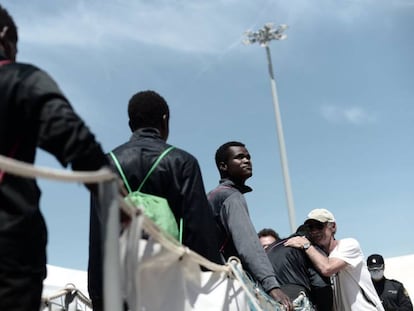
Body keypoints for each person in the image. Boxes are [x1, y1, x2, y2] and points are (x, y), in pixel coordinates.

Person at [0, 5, 109, 311]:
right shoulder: (19, 78)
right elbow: (73, 137)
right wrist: (112, 193)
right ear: (5, 35)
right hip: (9, 249)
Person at [88, 90, 222, 311]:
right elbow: (198, 230)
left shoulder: (106, 165)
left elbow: (99, 233)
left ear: (131, 124)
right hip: (171, 284)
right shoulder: (183, 162)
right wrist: (212, 279)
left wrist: (98, 295)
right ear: (165, 120)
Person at [207, 141, 293, 310]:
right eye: (239, 157)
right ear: (223, 166)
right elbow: (248, 245)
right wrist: (272, 286)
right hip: (230, 287)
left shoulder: (212, 196)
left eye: (248, 157)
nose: (247, 160)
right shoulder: (231, 196)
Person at [284, 208, 384, 311]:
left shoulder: (349, 244)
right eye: (310, 228)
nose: (315, 231)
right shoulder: (319, 257)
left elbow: (327, 268)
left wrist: (306, 245)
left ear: (333, 227)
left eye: (319, 226)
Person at [266, 225, 333, 311]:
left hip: (267, 300)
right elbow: (321, 286)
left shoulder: (271, 248)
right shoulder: (308, 249)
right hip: (294, 301)